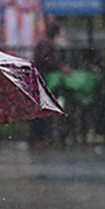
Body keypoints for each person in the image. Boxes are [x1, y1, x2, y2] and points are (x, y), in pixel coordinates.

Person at [29, 21, 61, 149]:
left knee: (39, 110)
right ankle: (38, 139)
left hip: (38, 77)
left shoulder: (42, 41)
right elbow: (45, 60)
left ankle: (36, 138)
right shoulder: (47, 43)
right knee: (42, 110)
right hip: (42, 78)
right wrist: (58, 66)